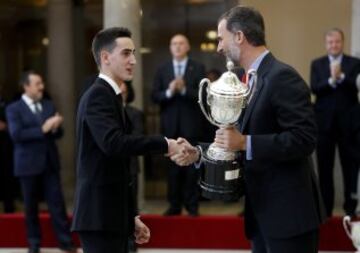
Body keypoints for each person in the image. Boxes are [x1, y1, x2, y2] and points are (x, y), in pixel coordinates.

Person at [171, 5, 326, 253]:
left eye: (221, 38)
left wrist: (245, 143)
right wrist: (200, 154)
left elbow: (304, 139)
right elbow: (235, 140)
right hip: (260, 216)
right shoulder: (245, 79)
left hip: (288, 217)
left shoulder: (282, 77)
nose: (219, 47)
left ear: (239, 36)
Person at [71, 27, 185, 253]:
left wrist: (131, 216)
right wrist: (165, 144)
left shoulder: (110, 95)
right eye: (125, 53)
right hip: (99, 217)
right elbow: (114, 144)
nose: (133, 60)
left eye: (133, 53)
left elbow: (121, 167)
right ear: (105, 57)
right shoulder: (98, 95)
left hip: (111, 216)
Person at [5, 71, 76, 253]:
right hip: (27, 165)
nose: (41, 87)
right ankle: (34, 244)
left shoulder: (48, 105)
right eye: (37, 84)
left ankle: (65, 242)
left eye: (42, 83)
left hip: (50, 163)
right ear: (26, 86)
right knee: (30, 207)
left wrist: (55, 127)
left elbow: (59, 134)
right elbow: (16, 135)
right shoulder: (13, 108)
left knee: (57, 205)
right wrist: (44, 128)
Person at [151, 34, 205, 216]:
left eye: (181, 43)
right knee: (173, 169)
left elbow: (203, 96)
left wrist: (183, 90)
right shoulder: (162, 68)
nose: (178, 46)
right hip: (170, 127)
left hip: (191, 127)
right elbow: (154, 96)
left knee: (191, 169)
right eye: (174, 43)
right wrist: (169, 91)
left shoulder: (198, 67)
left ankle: (192, 206)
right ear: (170, 48)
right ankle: (174, 206)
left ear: (188, 46)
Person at [310, 28, 360, 217]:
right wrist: (331, 80)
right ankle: (326, 209)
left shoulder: (354, 63)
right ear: (326, 44)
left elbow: (356, 86)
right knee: (325, 168)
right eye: (330, 42)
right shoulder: (317, 64)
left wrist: (342, 77)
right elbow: (314, 88)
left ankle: (350, 208)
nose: (334, 45)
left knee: (350, 168)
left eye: (337, 42)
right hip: (324, 126)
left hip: (349, 126)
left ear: (342, 42)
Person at [0, 92, 18, 213]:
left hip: (6, 150)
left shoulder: (9, 105)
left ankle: (9, 209)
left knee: (7, 180)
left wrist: (5, 127)